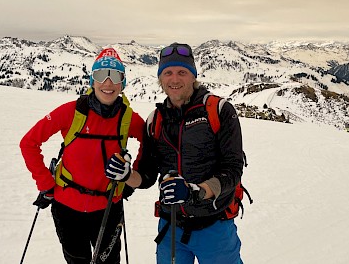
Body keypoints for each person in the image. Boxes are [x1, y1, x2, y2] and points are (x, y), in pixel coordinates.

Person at [20, 48, 145, 264]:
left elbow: (150, 144)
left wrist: (131, 178)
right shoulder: (71, 112)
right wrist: (45, 182)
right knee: (77, 260)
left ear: (122, 83)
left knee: (109, 261)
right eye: (100, 75)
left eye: (115, 76)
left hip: (108, 207)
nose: (108, 83)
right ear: (92, 81)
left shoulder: (128, 119)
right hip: (67, 207)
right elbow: (29, 143)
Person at [123, 43, 245, 263]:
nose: (175, 79)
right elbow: (147, 175)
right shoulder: (155, 120)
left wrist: (195, 191)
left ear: (193, 76)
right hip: (171, 227)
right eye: (168, 73)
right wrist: (126, 176)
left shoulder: (219, 111)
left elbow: (233, 169)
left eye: (182, 72)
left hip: (214, 225)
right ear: (161, 79)